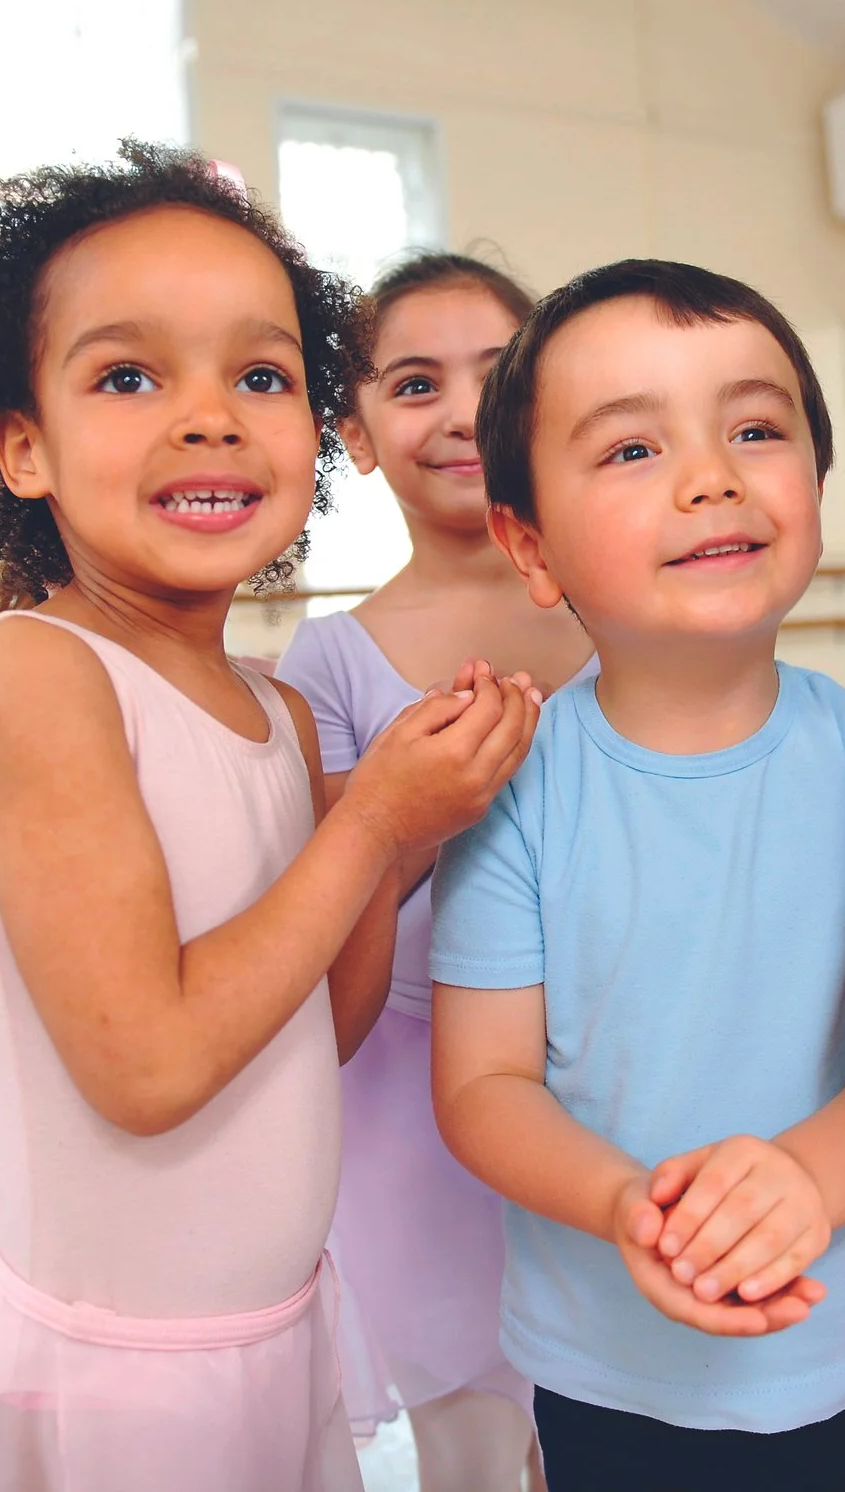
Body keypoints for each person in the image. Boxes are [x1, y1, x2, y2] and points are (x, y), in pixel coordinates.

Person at [0, 143, 541, 1491]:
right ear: (23, 446)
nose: (212, 418)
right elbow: (151, 1065)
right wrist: (371, 827)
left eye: (261, 376)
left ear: (314, 435)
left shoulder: (277, 712)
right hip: (114, 1378)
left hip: (272, 1339)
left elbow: (318, 1028)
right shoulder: (36, 677)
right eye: (129, 376)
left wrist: (418, 820)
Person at [429, 260, 845, 1491]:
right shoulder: (512, 779)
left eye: (755, 428)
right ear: (529, 543)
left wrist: (806, 1185)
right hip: (608, 1374)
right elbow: (484, 1083)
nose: (711, 473)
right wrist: (629, 1205)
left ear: (815, 486)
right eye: (628, 449)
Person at [275, 251, 591, 1490]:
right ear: (351, 433)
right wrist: (431, 798)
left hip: (620, 1067)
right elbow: (325, 897)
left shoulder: (625, 614)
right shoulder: (331, 660)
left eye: (497, 374)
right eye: (414, 383)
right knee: (471, 1438)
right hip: (414, 1109)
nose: (461, 411)